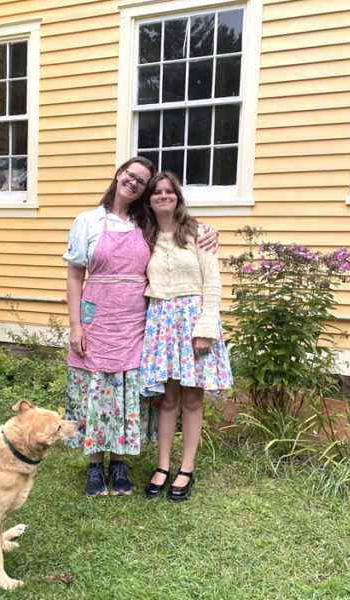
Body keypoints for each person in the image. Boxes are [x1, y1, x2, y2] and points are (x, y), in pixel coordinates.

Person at [62, 157, 218, 498]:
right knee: (96, 388)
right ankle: (94, 464)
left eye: (141, 182)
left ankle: (119, 464)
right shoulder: (88, 221)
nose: (134, 183)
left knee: (124, 389)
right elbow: (75, 276)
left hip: (136, 320)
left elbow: (178, 231)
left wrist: (208, 232)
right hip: (96, 315)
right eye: (130, 176)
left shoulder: (143, 224)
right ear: (119, 175)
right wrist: (75, 325)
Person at [140, 171, 232, 502]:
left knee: (192, 399)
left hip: (194, 322)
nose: (163, 196)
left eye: (169, 191)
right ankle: (163, 466)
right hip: (161, 322)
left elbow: (213, 281)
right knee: (168, 399)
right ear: (148, 199)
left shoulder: (199, 234)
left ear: (178, 197)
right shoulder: (143, 235)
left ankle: (186, 469)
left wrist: (206, 328)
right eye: (156, 192)